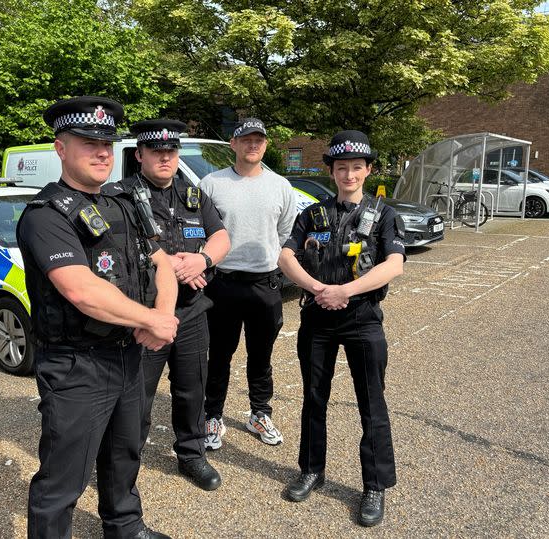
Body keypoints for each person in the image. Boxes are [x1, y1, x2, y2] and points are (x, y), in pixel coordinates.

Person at [17, 96, 179, 539]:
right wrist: (148, 319)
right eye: (88, 142)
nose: (102, 151)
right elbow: (81, 290)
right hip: (76, 365)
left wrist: (160, 316)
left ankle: (124, 527)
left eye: (107, 143)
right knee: (63, 475)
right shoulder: (46, 215)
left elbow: (163, 263)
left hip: (127, 354)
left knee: (124, 453)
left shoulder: (123, 203)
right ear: (60, 148)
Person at [277, 130, 405, 527]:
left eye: (356, 167)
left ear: (367, 170)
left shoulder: (384, 214)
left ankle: (374, 485)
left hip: (362, 318)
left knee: (372, 403)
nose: (349, 174)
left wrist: (344, 291)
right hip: (317, 317)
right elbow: (285, 256)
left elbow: (393, 264)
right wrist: (318, 288)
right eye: (341, 167)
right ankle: (312, 470)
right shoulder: (312, 215)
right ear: (331, 171)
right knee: (314, 398)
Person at [104, 119, 231, 491]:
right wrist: (173, 265)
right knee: (136, 396)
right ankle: (125, 466)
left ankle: (191, 454)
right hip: (144, 314)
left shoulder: (193, 194)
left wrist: (202, 261)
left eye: (171, 151)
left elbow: (221, 236)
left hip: (191, 313)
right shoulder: (119, 196)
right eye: (156, 152)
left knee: (192, 389)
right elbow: (115, 248)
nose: (165, 158)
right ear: (139, 154)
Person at [199, 118, 297, 449]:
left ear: (266, 145)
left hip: (265, 284)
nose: (252, 145)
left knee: (261, 355)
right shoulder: (211, 183)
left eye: (259, 140)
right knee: (219, 354)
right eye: (246, 139)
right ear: (233, 144)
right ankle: (213, 415)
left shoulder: (281, 185)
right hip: (222, 283)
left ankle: (259, 412)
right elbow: (202, 230)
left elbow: (285, 233)